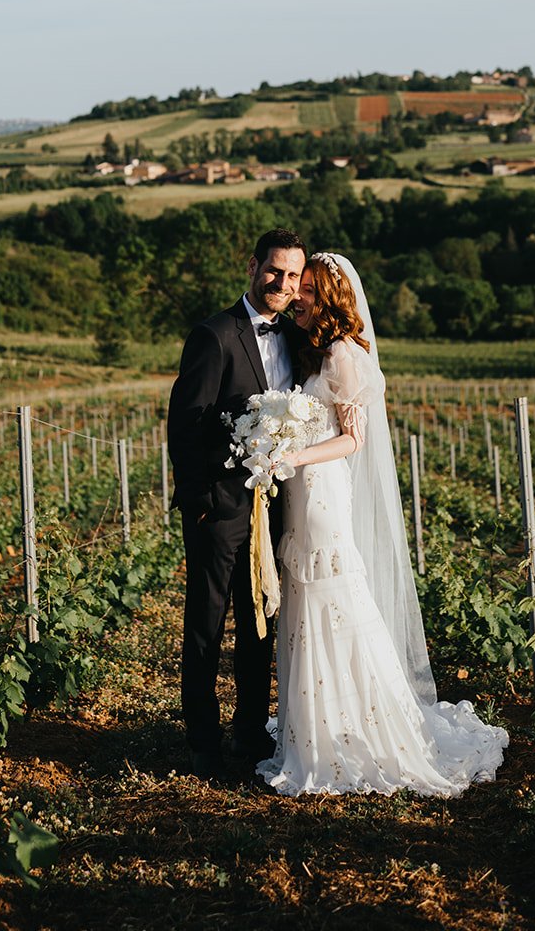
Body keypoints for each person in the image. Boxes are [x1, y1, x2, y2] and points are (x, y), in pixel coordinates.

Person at [257, 251, 509, 796]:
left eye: (306, 288)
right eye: (295, 286)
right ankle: (312, 730)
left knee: (336, 598)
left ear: (328, 296)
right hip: (298, 494)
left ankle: (366, 731)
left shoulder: (346, 354)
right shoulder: (312, 352)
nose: (296, 295)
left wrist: (292, 456)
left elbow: (353, 439)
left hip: (322, 494)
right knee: (303, 602)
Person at [167, 227, 306, 779]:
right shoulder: (215, 334)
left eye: (293, 275)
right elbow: (186, 422)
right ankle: (202, 741)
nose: (282, 283)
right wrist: (200, 502)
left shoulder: (296, 337)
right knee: (205, 625)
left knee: (259, 624)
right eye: (274, 270)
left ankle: (249, 732)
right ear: (252, 267)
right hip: (218, 509)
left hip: (273, 508)